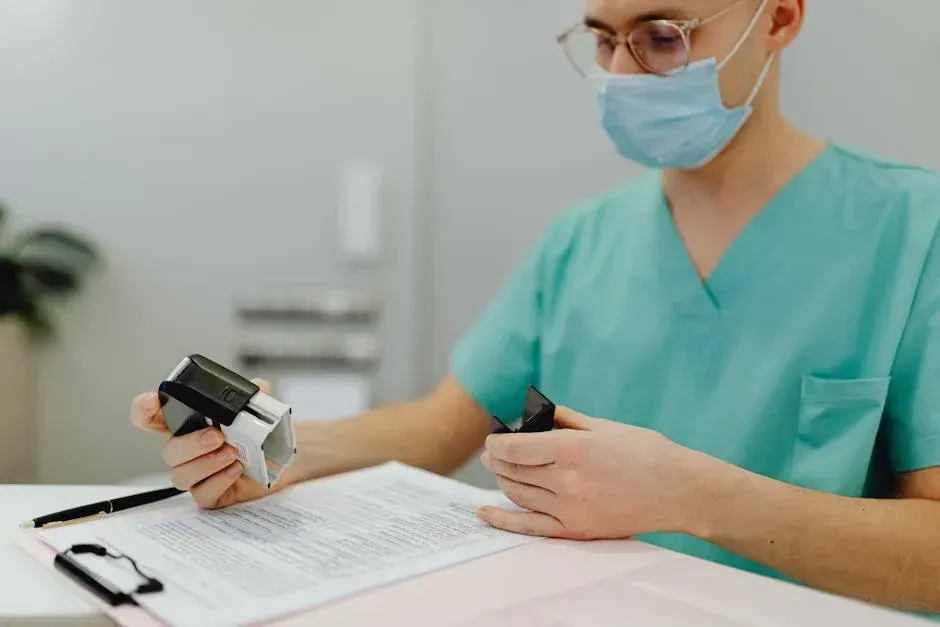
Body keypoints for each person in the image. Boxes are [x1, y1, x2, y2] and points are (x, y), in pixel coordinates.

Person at [131, 0, 940, 615]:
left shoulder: (913, 232)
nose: (624, 73)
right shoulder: (582, 243)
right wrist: (275, 450)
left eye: (662, 36)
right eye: (603, 39)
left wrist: (694, 495)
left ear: (781, 18)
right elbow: (440, 428)